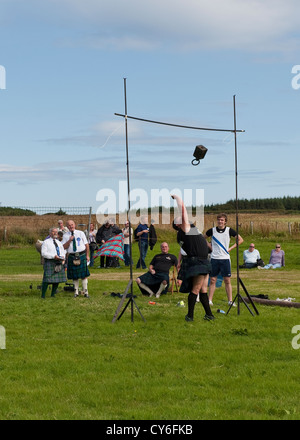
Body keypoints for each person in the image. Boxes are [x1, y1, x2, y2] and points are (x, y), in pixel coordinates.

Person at [172, 194, 214, 321]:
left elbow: (199, 243)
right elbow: (183, 210)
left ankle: (209, 315)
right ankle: (189, 316)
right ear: (178, 224)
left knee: (203, 289)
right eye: (179, 219)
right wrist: (178, 198)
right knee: (196, 289)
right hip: (198, 261)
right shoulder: (185, 229)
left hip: (201, 260)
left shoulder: (189, 231)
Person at [205, 213, 243, 307]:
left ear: (225, 221)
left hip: (225, 259)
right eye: (219, 220)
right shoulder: (212, 230)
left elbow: (240, 240)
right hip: (214, 258)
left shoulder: (229, 230)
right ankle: (209, 300)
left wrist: (230, 248)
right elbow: (202, 238)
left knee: (227, 280)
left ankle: (230, 301)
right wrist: (210, 247)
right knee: (213, 280)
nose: (220, 221)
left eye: (222, 220)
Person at [62, 220, 90, 297]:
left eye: (72, 224)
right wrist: (69, 240)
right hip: (71, 256)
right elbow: (63, 247)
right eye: (69, 225)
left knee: (83, 275)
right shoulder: (65, 236)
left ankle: (86, 292)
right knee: (75, 276)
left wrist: (87, 256)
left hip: (81, 255)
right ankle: (76, 292)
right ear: (67, 227)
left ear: (75, 225)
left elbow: (86, 245)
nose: (71, 226)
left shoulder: (81, 233)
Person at [40, 227, 66, 298]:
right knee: (47, 280)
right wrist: (53, 256)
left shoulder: (59, 243)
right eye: (53, 232)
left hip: (58, 262)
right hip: (50, 261)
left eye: (56, 232)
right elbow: (43, 253)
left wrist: (63, 258)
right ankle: (43, 295)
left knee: (57, 280)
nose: (55, 233)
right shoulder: (46, 242)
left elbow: (63, 252)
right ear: (50, 233)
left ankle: (53, 294)